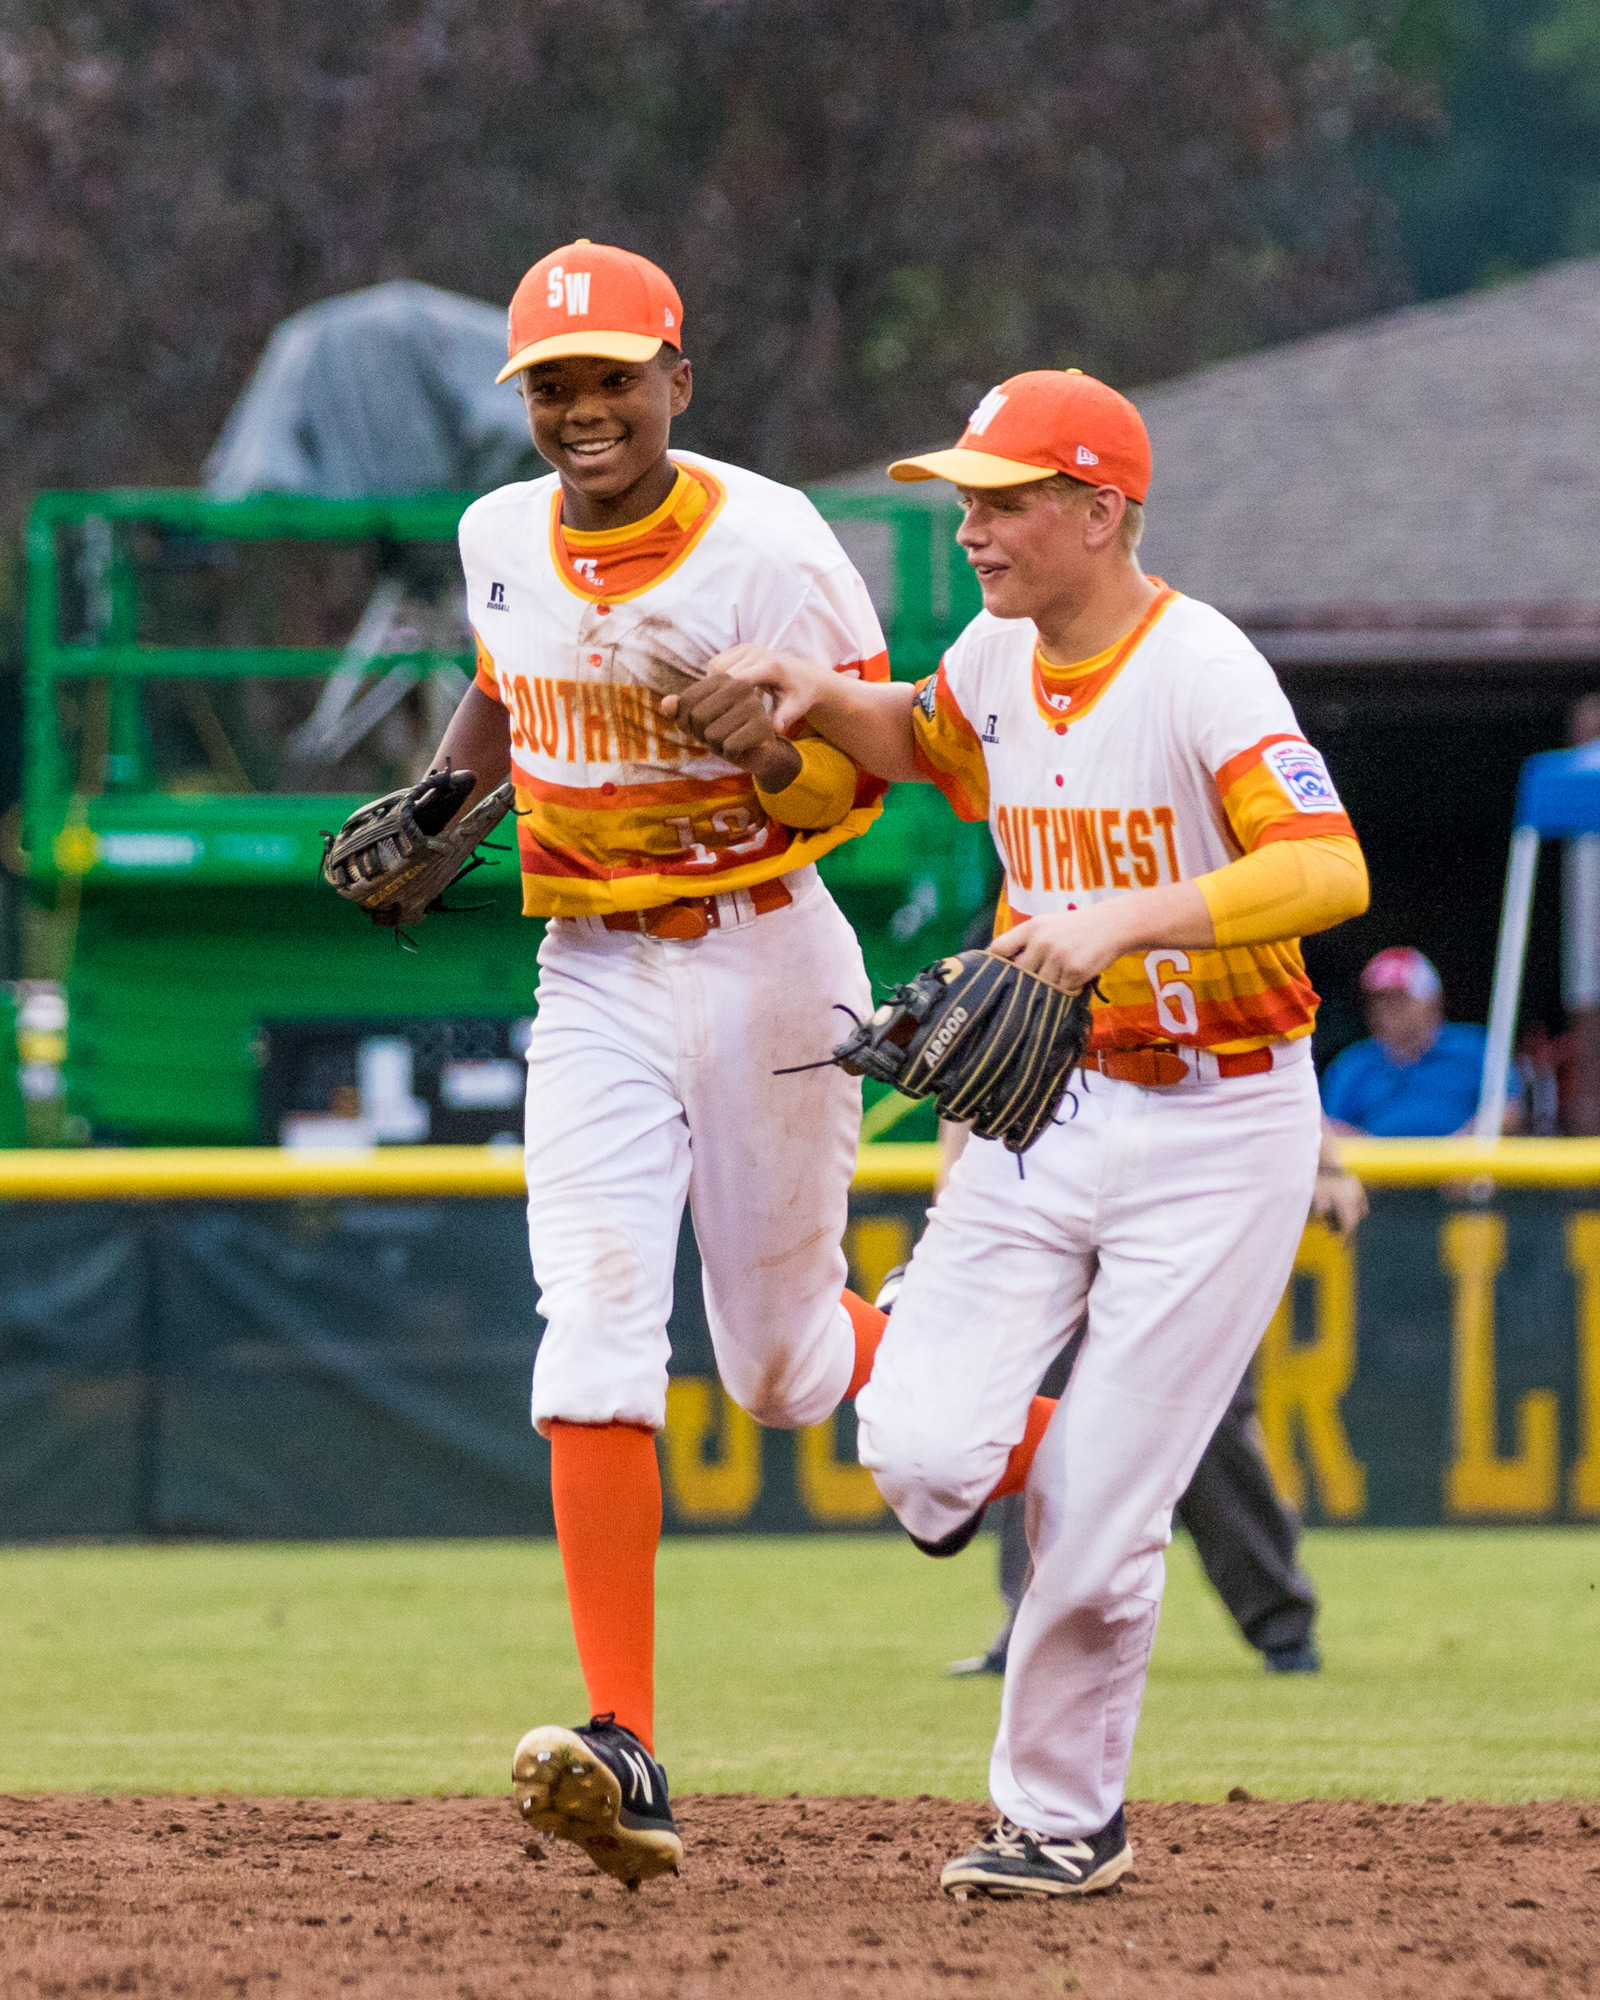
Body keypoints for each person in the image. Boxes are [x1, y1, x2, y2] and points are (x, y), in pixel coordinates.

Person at [697, 368, 1369, 1897]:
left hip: (1221, 1120)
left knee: (1101, 1516)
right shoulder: (998, 653)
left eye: (1004, 499)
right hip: (1042, 1108)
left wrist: (1124, 919)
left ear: (1101, 511)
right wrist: (810, 704)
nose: (974, 524)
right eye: (969, 497)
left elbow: (1327, 870)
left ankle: (1063, 1820)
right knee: (922, 1447)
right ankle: (1096, 1487)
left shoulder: (1202, 666)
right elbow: (914, 735)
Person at [426, 239, 900, 1886]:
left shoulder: (772, 545)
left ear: (676, 382)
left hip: (766, 947)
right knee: (597, 1326)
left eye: (611, 377)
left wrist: (770, 746)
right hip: (595, 974)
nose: (581, 409)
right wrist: (443, 798)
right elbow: (501, 686)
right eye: (552, 384)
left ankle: (997, 1410)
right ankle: (623, 1741)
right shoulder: (496, 536)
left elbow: (873, 778)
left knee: (782, 1375)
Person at [940, 1124, 1366, 1680]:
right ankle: (1029, 1628)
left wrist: (1323, 1162)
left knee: (1204, 1415)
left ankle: (1280, 1621)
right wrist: (956, 1213)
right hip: (1051, 1192)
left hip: (1177, 1189)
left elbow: (1270, 1051)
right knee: (1047, 1414)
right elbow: (962, 1095)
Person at [1321, 945, 1522, 1136]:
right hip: (1372, 1170)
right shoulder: (1352, 1063)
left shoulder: (1474, 1048)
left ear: (1432, 1000)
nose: (1385, 1008)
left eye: (1399, 998)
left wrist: (1458, 1152)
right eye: (1377, 999)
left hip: (1465, 1168)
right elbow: (1328, 1127)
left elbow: (1510, 1111)